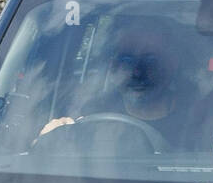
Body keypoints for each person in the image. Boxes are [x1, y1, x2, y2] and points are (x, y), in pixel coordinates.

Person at [37, 26, 194, 148]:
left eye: (150, 61)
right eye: (126, 60)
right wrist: (50, 139)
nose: (137, 72)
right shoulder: (92, 113)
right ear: (112, 67)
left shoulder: (196, 119)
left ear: (172, 64)